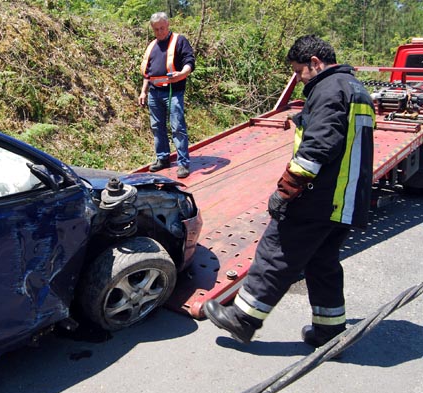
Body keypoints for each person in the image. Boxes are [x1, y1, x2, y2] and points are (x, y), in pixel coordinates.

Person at [203, 35, 376, 348]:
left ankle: (243, 319)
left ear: (315, 63)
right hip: (347, 200)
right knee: (322, 263)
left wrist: (285, 191)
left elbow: (318, 148)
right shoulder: (356, 89)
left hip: (320, 198)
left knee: (276, 250)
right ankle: (329, 330)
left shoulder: (328, 89)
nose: (298, 79)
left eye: (299, 72)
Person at [138, 12, 195, 179]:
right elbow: (147, 73)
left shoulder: (179, 41)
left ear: (168, 25)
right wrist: (143, 91)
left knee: (177, 127)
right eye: (156, 29)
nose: (160, 32)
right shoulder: (152, 46)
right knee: (157, 127)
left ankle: (183, 163)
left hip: (173, 92)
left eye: (162, 28)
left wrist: (182, 74)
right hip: (154, 93)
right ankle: (162, 158)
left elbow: (189, 61)